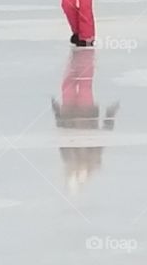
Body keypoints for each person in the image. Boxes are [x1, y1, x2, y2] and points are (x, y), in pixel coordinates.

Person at [51, 48, 120, 195]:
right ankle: (82, 59)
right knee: (79, 85)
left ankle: (79, 59)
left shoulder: (77, 159)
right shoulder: (88, 159)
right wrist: (110, 115)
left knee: (77, 85)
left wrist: (57, 112)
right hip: (80, 114)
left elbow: (101, 138)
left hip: (73, 114)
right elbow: (102, 138)